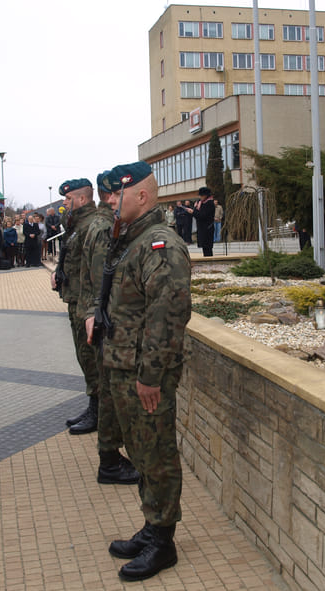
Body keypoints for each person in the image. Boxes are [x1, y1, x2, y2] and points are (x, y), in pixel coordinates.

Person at [86, 161, 191, 582]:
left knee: (158, 455)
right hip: (123, 368)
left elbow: (167, 317)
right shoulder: (132, 239)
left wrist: (149, 376)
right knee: (143, 454)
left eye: (118, 194)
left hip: (145, 376)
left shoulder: (159, 245)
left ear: (142, 196)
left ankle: (163, 541)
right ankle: (152, 526)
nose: (110, 200)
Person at [80, 171, 139, 485]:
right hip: (107, 321)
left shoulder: (105, 224)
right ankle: (110, 461)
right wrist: (96, 313)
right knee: (111, 396)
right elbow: (101, 279)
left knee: (110, 394)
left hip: (104, 318)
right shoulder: (105, 228)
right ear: (110, 195)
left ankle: (111, 459)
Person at [51, 179, 99, 434]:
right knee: (84, 357)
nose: (64, 204)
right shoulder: (76, 225)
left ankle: (98, 410)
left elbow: (96, 269)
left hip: (86, 304)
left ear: (82, 199)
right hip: (76, 299)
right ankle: (94, 405)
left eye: (68, 200)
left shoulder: (91, 225)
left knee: (90, 358)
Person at [193, 186, 215, 257]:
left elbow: (203, 215)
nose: (200, 197)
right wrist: (195, 209)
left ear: (206, 195)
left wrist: (193, 212)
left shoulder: (209, 203)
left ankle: (209, 260)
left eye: (202, 195)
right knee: (204, 247)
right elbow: (197, 214)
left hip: (207, 227)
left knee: (207, 247)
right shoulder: (200, 203)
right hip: (201, 227)